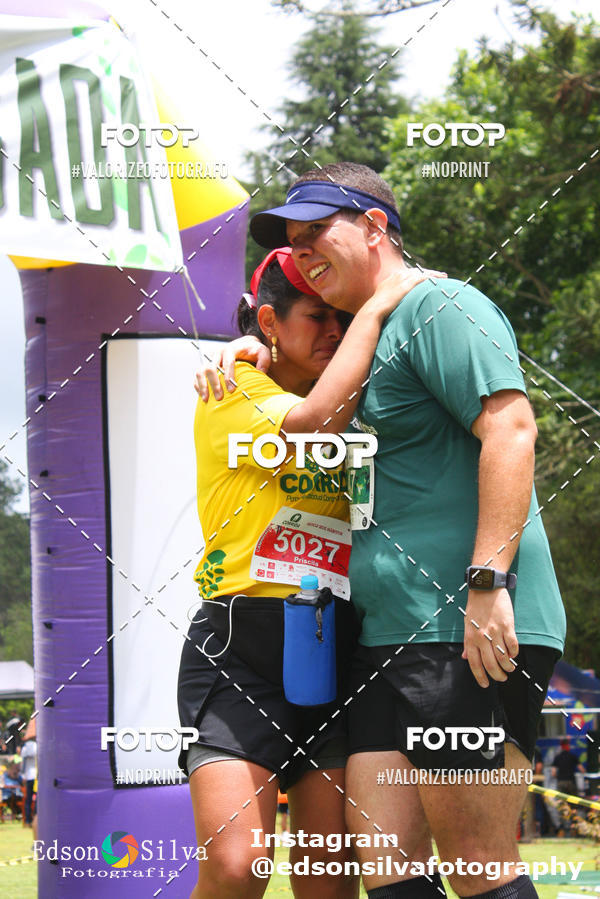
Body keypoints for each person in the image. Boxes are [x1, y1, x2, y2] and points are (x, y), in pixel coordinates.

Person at [241, 162, 567, 899]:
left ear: (374, 227)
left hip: (466, 626)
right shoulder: (359, 341)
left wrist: (488, 581)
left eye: (317, 230)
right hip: (385, 637)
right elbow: (302, 416)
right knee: (390, 872)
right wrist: (249, 348)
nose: (302, 251)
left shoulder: (441, 306)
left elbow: (512, 429)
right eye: (292, 242)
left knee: (476, 861)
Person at [178, 245, 438, 899]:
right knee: (238, 866)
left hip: (337, 648)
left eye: (341, 318)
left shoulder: (365, 403)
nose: (334, 330)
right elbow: (310, 422)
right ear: (269, 321)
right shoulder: (233, 386)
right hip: (241, 650)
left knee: (328, 878)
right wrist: (374, 308)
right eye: (316, 316)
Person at [20, 719, 37, 826]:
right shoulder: (36, 746)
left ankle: (27, 820)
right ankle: (35, 818)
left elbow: (23, 764)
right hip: (36, 776)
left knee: (28, 799)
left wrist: (23, 776)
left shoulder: (24, 748)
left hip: (27, 775)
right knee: (37, 798)